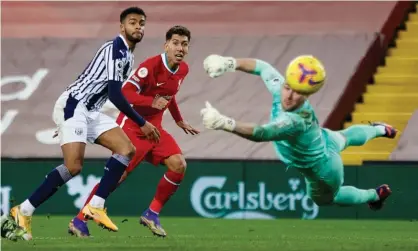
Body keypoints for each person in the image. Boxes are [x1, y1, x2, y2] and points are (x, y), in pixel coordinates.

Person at [10, 7, 160, 240]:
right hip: (74, 105)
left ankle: (95, 205)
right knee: (73, 167)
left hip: (90, 110)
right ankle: (24, 210)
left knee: (126, 149)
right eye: (133, 22)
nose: (138, 27)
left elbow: (105, 89)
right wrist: (141, 122)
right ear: (122, 26)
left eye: (142, 23)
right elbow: (115, 95)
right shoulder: (115, 49)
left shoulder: (128, 55)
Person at [200, 54, 393, 211]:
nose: (289, 96)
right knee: (345, 136)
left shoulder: (295, 120)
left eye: (297, 92)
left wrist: (224, 122)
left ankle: (374, 195)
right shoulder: (283, 89)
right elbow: (263, 67)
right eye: (287, 88)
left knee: (325, 199)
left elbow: (262, 134)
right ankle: (381, 129)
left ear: (308, 95)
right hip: (324, 138)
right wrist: (229, 63)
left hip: (324, 170)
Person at [68, 25, 198, 238]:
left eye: (184, 44)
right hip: (133, 126)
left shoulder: (183, 70)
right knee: (117, 178)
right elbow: (124, 94)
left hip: (155, 129)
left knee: (178, 165)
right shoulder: (150, 67)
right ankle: (79, 220)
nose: (180, 48)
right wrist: (150, 101)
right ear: (166, 45)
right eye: (175, 43)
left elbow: (169, 95)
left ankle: (152, 213)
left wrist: (179, 120)